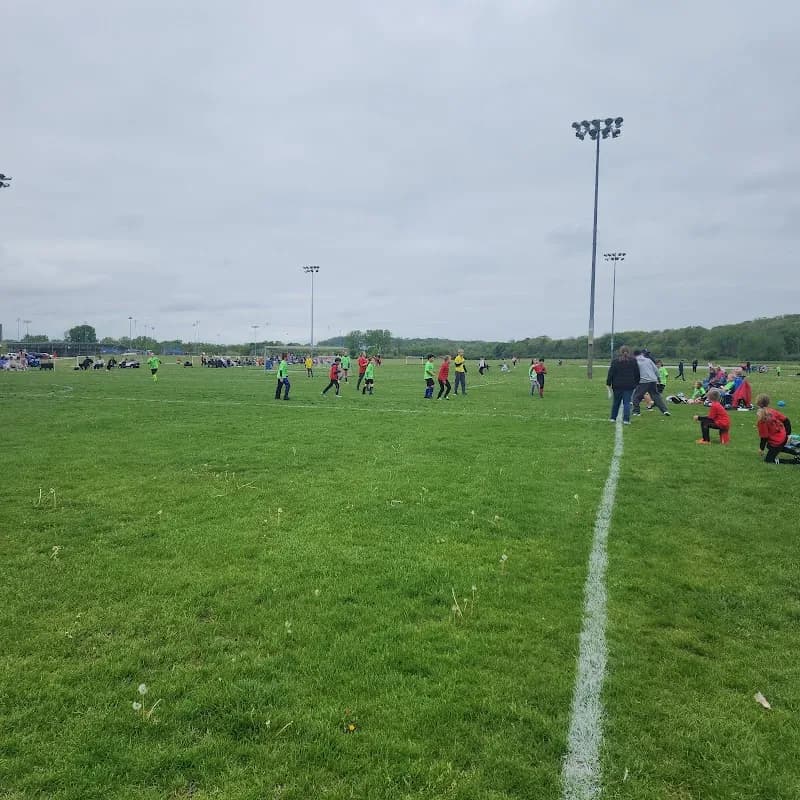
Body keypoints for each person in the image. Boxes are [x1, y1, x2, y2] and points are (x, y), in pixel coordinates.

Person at [606, 345, 640, 424]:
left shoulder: (615, 361)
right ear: (629, 352)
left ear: (620, 352)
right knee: (627, 403)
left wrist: (608, 383)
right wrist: (636, 383)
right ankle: (626, 420)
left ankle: (613, 418)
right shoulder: (633, 360)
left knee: (616, 402)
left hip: (617, 385)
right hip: (629, 385)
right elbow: (637, 373)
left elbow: (611, 373)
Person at [631, 350, 670, 416]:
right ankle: (665, 410)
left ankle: (636, 411)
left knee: (636, 396)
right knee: (656, 396)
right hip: (653, 380)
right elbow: (656, 370)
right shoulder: (648, 360)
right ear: (641, 354)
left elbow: (634, 372)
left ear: (634, 355)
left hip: (643, 381)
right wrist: (658, 378)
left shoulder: (635, 361)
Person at [756, 394, 792, 463]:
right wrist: (788, 434)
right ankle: (796, 451)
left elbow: (764, 437)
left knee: (769, 460)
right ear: (768, 402)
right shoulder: (772, 411)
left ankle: (795, 461)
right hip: (783, 435)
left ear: (758, 403)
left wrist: (761, 449)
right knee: (770, 446)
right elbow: (786, 420)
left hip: (778, 441)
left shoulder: (762, 421)